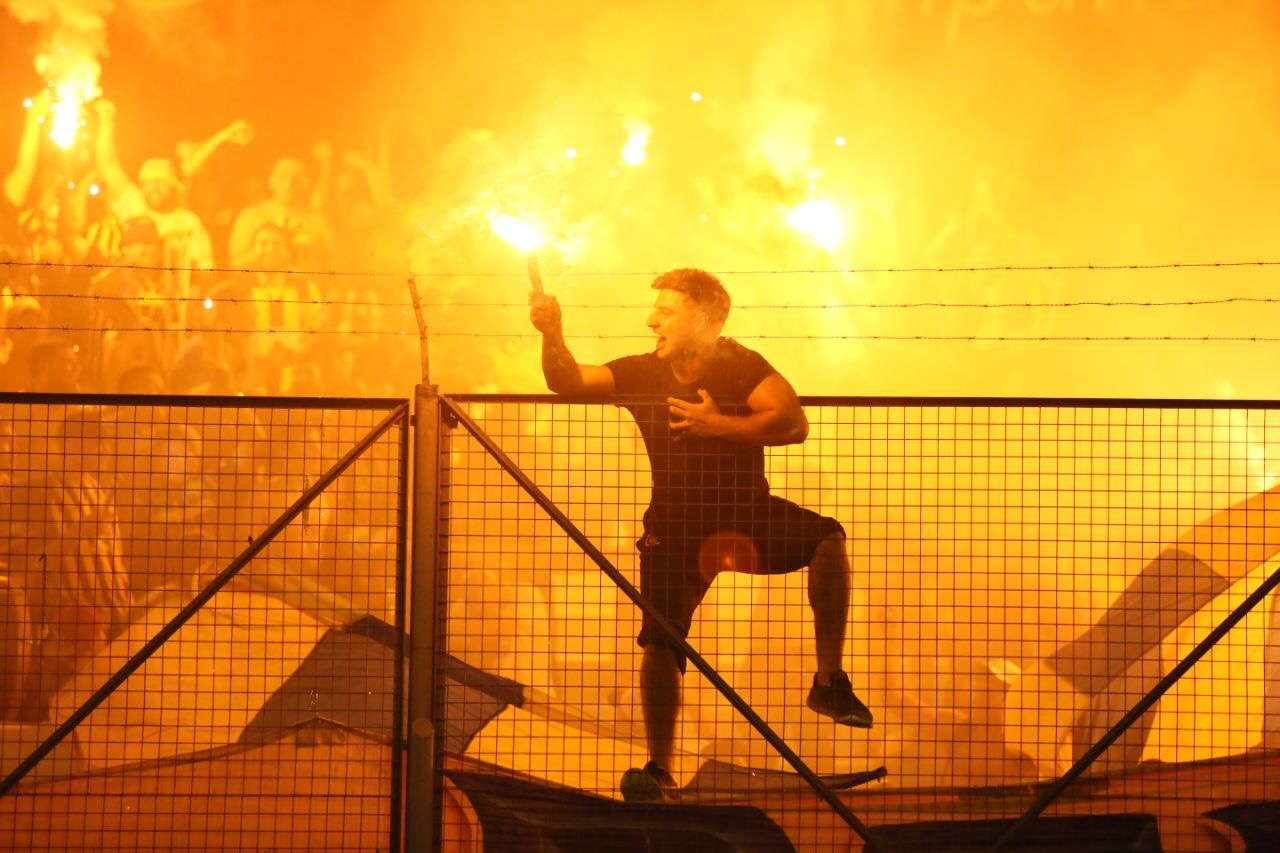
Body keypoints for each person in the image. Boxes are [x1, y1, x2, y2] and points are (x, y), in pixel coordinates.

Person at [529, 268, 872, 801]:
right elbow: (568, 381)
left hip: (746, 515)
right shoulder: (643, 371)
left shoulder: (741, 366)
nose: (651, 322)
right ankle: (661, 771)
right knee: (661, 639)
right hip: (676, 526)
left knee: (828, 539)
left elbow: (794, 423)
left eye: (665, 313)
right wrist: (552, 333)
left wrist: (721, 426)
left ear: (704, 319)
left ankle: (829, 682)